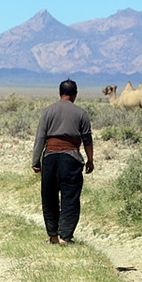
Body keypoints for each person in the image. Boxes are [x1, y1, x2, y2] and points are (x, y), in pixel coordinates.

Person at [32, 79, 94, 245]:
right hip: (71, 158)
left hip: (50, 157)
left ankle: (53, 236)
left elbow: (40, 137)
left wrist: (35, 161)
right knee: (70, 197)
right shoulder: (81, 113)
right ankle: (66, 236)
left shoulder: (48, 111)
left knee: (49, 197)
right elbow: (87, 139)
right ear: (75, 95)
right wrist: (90, 160)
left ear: (59, 93)